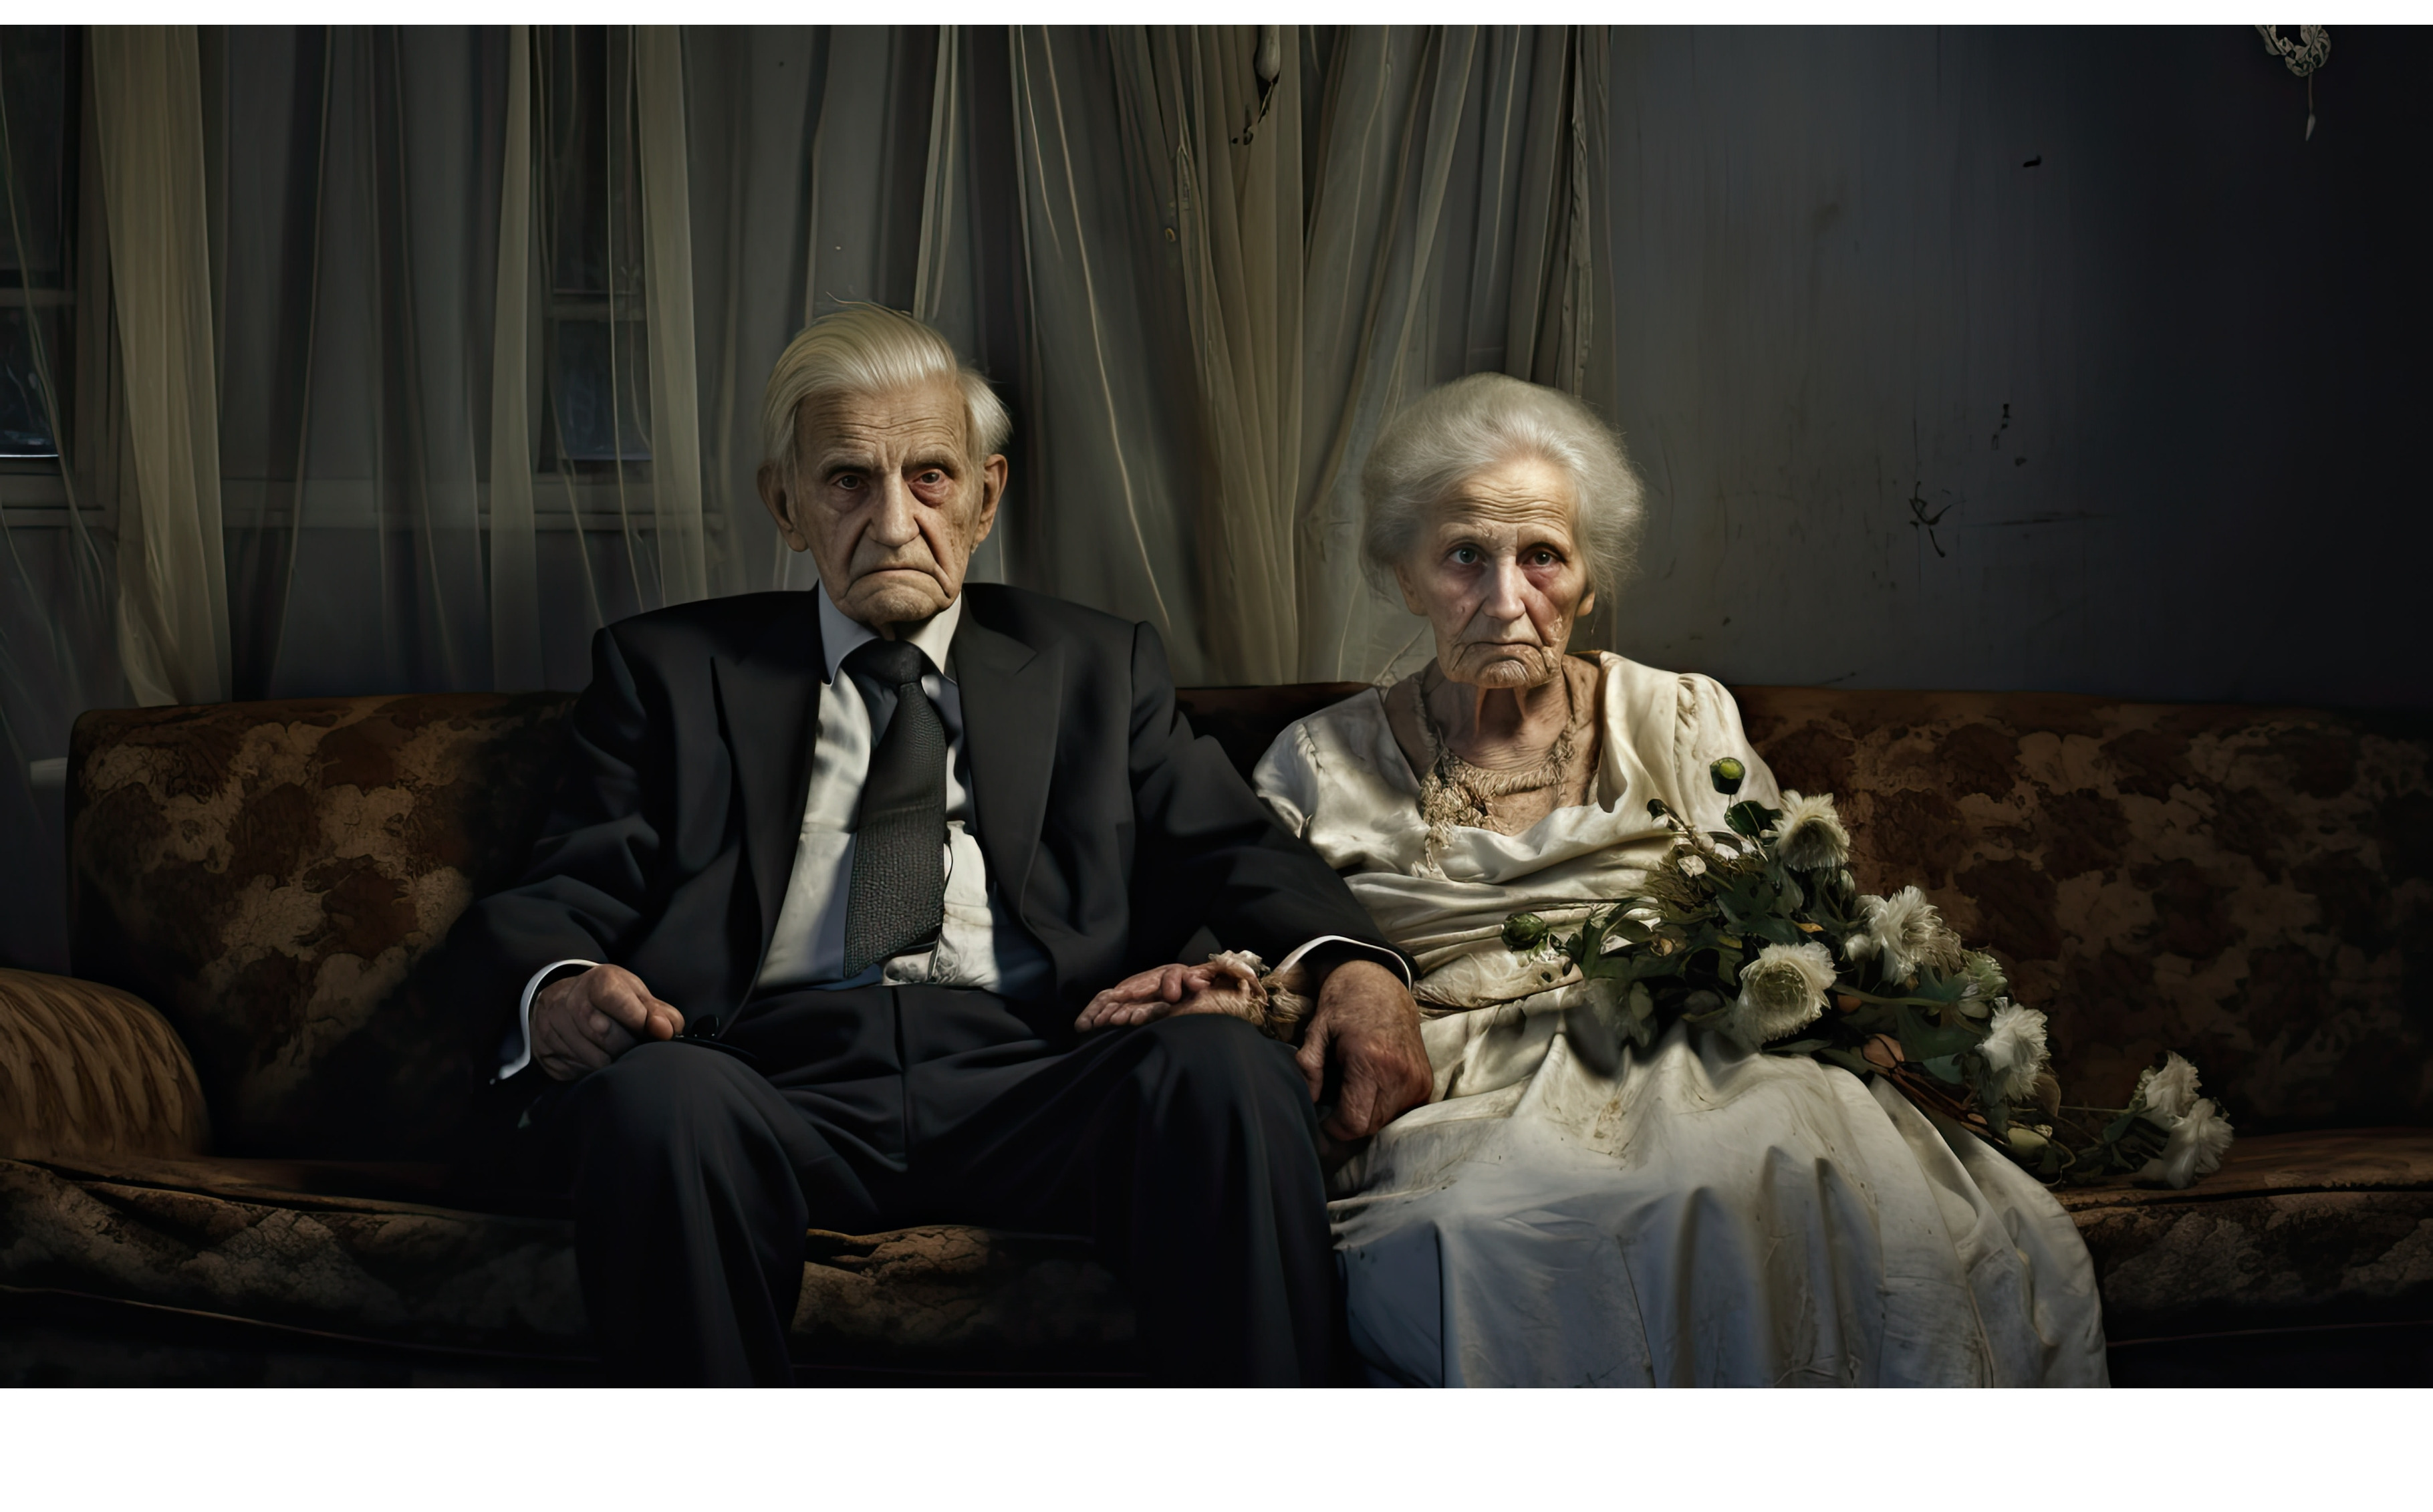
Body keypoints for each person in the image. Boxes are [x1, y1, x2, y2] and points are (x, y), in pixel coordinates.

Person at [446, 304, 1433, 1385]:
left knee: (1224, 1072)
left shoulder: (1097, 666)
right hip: (764, 1081)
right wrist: (558, 992)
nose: (892, 522)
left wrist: (1357, 968)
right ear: (785, 505)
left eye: (929, 477)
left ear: (984, 497)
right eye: (846, 481)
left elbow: (1237, 849)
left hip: (1039, 1076)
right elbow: (560, 893)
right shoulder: (667, 672)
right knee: (656, 1102)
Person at [1085, 372, 2109, 1386]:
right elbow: (1282, 943)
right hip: (1455, 1090)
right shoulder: (1316, 762)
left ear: (1588, 578)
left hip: (1697, 1058)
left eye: (1543, 556)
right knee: (1483, 1224)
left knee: (1771, 1172)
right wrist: (1238, 987)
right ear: (1404, 577)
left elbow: (1787, 926)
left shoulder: (1682, 719)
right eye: (1464, 556)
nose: (1506, 600)